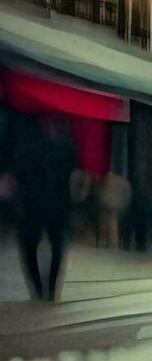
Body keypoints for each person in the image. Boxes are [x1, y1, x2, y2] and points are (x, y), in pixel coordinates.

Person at [6, 113, 77, 300]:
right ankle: (45, 290)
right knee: (42, 245)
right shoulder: (63, 148)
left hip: (42, 204)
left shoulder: (52, 147)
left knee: (41, 245)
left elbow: (19, 171)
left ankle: (45, 289)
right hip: (43, 203)